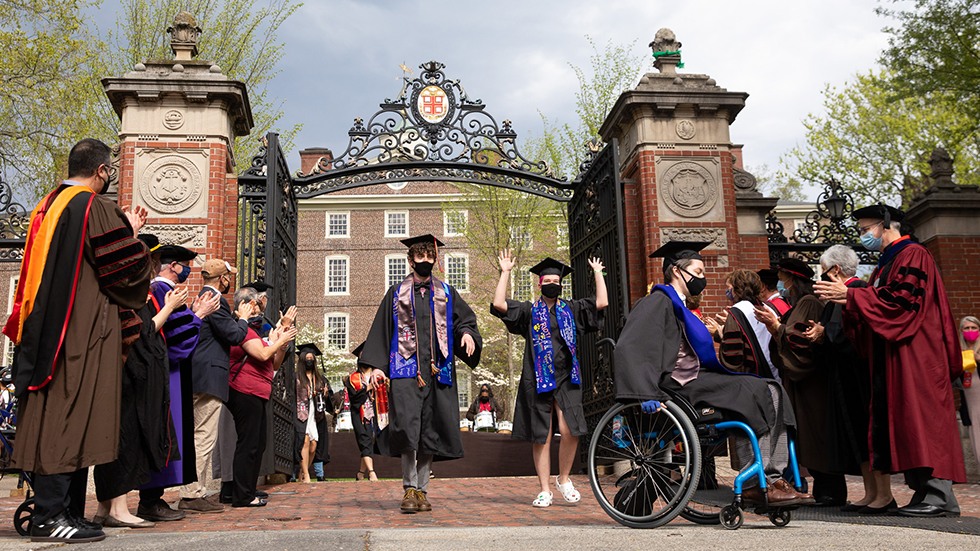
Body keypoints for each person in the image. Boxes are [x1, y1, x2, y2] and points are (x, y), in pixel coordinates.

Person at [4, 138, 154, 543]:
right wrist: (133, 233)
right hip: (80, 332)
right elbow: (124, 270)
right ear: (102, 171)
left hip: (45, 329)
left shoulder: (46, 206)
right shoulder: (94, 206)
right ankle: (51, 517)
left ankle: (67, 511)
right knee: (69, 418)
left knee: (60, 415)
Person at [614, 241, 809, 506]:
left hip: (696, 378)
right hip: (679, 385)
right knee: (752, 391)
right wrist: (643, 391)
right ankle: (754, 483)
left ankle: (773, 478)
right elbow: (630, 346)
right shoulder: (657, 302)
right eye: (698, 271)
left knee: (772, 389)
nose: (702, 278)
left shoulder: (679, 306)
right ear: (677, 271)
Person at [815, 203, 966, 517]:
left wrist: (852, 295)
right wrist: (853, 298)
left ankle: (939, 496)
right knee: (907, 423)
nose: (864, 235)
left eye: (866, 228)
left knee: (924, 421)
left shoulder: (914, 255)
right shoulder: (887, 263)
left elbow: (902, 304)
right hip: (898, 355)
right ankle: (926, 493)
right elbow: (879, 304)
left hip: (919, 355)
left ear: (886, 224)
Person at [359, 234, 482, 514]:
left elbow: (465, 321)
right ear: (411, 258)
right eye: (420, 256)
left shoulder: (447, 293)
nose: (425, 261)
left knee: (430, 431)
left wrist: (466, 334)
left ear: (434, 259)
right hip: (405, 372)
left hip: (438, 373)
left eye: (430, 256)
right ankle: (409, 487)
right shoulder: (396, 293)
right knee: (407, 429)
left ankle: (423, 489)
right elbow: (382, 330)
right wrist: (378, 365)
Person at [491, 253, 607, 508]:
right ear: (540, 284)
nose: (553, 283)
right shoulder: (529, 311)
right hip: (538, 378)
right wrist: (506, 271)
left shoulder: (572, 309)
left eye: (557, 280)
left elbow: (601, 302)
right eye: (548, 280)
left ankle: (563, 479)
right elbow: (499, 304)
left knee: (570, 431)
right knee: (541, 436)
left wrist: (598, 272)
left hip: (567, 378)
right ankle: (544, 489)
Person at [801, 245, 894, 512]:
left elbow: (850, 334)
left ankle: (884, 494)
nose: (821, 276)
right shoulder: (843, 295)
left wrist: (824, 335)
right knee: (856, 433)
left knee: (868, 432)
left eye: (823, 269)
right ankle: (870, 492)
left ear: (835, 270)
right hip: (845, 374)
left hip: (859, 374)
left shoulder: (859, 291)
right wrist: (821, 332)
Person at [93, 267, 186, 528]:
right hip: (129, 379)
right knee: (124, 442)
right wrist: (169, 308)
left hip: (126, 377)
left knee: (116, 443)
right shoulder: (129, 299)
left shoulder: (128, 297)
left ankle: (105, 507)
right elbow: (143, 333)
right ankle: (118, 509)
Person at [177, 258, 250, 514]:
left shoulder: (202, 297)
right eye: (229, 276)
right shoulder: (215, 301)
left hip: (196, 375)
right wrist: (242, 318)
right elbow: (236, 336)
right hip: (209, 377)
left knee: (196, 434)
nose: (231, 281)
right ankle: (191, 492)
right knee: (204, 436)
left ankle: (193, 489)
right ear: (223, 279)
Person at [227, 286, 297, 507]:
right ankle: (241, 495)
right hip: (244, 389)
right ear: (245, 305)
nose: (259, 308)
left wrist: (282, 343)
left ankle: (247, 489)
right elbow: (263, 353)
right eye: (256, 303)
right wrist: (279, 339)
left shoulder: (253, 331)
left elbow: (274, 362)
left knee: (258, 444)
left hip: (259, 390)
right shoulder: (243, 329)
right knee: (248, 444)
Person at [706, 269, 776, 379]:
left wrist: (721, 334)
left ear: (737, 289)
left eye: (729, 288)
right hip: (772, 369)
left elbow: (733, 355)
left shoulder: (737, 311)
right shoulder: (766, 308)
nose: (727, 292)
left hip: (752, 375)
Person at [344, 342, 389, 482]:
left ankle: (360, 473)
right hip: (360, 415)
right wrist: (367, 388)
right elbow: (354, 399)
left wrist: (387, 385)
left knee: (369, 442)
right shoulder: (353, 378)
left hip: (375, 413)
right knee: (364, 441)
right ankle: (372, 472)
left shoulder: (379, 375)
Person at [295, 344, 325, 483]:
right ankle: (306, 474)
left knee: (313, 445)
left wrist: (324, 393)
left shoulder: (319, 378)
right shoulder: (297, 377)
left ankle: (303, 469)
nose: (309, 361)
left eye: (311, 359)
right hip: (302, 411)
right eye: (307, 358)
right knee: (305, 441)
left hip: (314, 412)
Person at [959, 316, 980, 469]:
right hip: (969, 400)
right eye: (967, 328)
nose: (970, 331)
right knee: (976, 436)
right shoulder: (958, 351)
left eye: (973, 328)